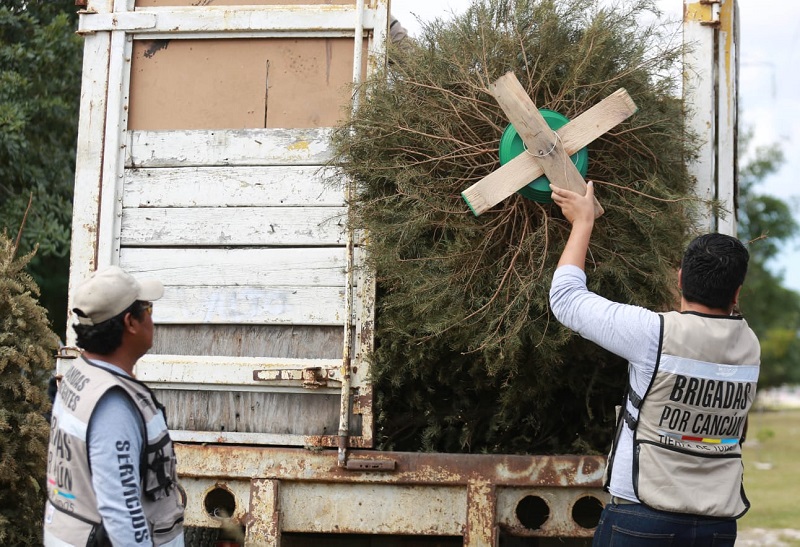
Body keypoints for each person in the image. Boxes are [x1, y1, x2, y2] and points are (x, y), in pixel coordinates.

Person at [548, 181, 760, 546]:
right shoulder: (750, 347)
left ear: (679, 280)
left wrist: (583, 224)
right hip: (716, 526)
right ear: (737, 293)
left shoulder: (654, 333)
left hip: (643, 518)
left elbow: (566, 299)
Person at [44, 266, 185, 546]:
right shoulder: (113, 405)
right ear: (131, 322)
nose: (152, 319)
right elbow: (122, 512)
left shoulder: (80, 374)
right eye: (148, 309)